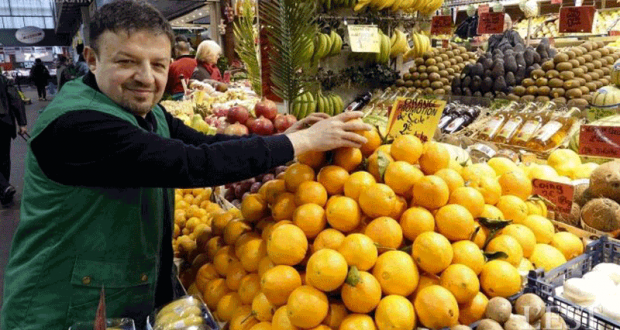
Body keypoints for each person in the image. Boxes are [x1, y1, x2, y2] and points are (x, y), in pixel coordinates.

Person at [0, 0, 370, 329]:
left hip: (118, 298)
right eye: (127, 62)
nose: (146, 77)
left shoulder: (142, 111)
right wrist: (299, 143)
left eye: (158, 64)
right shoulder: (78, 124)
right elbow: (191, 163)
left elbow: (205, 143)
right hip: (64, 309)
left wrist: (286, 137)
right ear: (92, 59)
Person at [0, 70, 26, 205]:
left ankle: (4, 187)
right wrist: (22, 123)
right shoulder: (4, 80)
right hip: (5, 122)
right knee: (4, 157)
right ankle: (5, 191)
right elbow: (16, 100)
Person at [166, 35, 197, 100]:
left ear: (176, 51)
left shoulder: (173, 66)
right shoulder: (197, 63)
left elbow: (168, 86)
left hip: (177, 97)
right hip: (196, 95)